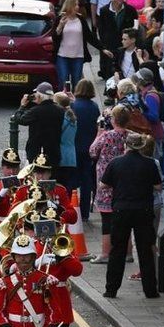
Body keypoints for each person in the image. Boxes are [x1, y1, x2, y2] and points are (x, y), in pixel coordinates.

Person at [99, 132, 161, 298]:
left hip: (121, 209)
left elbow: (103, 185)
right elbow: (158, 186)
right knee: (145, 251)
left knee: (117, 250)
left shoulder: (116, 163)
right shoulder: (150, 164)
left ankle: (111, 289)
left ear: (125, 146)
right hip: (143, 210)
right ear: (141, 147)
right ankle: (150, 290)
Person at [89, 104, 131, 264]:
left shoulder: (106, 136)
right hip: (125, 185)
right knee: (125, 221)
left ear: (113, 119)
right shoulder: (131, 136)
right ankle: (128, 253)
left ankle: (106, 253)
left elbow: (92, 152)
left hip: (106, 184)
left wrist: (99, 133)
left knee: (107, 221)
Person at [53, 0, 110, 91]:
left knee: (77, 82)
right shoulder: (60, 19)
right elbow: (54, 37)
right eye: (75, 5)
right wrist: (60, 26)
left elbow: (89, 36)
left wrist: (102, 48)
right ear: (69, 6)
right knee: (63, 81)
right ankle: (62, 102)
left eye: (78, 5)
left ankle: (76, 103)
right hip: (62, 55)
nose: (77, 7)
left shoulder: (81, 19)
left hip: (78, 56)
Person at [15, 82, 65, 168]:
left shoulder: (35, 111)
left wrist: (22, 106)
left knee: (35, 177)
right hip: (53, 151)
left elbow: (19, 119)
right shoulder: (60, 110)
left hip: (35, 151)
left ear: (39, 96)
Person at [72, 79, 101, 221]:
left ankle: (72, 210)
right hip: (89, 148)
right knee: (86, 181)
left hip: (74, 147)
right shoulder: (94, 107)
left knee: (72, 180)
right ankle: (84, 214)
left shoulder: (73, 106)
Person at [97, 0, 137, 79]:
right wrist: (103, 47)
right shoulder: (104, 10)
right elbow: (101, 30)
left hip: (125, 45)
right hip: (110, 44)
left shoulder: (130, 10)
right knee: (108, 72)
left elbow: (135, 27)